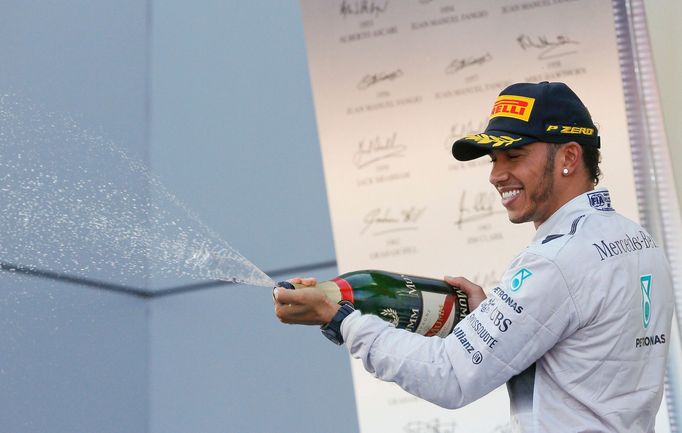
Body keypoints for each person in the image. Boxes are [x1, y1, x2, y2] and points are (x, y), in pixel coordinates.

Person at [273, 81, 674, 432]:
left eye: (514, 156)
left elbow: (450, 376)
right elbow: (585, 362)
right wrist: (494, 314)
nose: (495, 175)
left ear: (569, 157)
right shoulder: (635, 239)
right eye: (493, 159)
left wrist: (341, 321)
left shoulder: (556, 261)